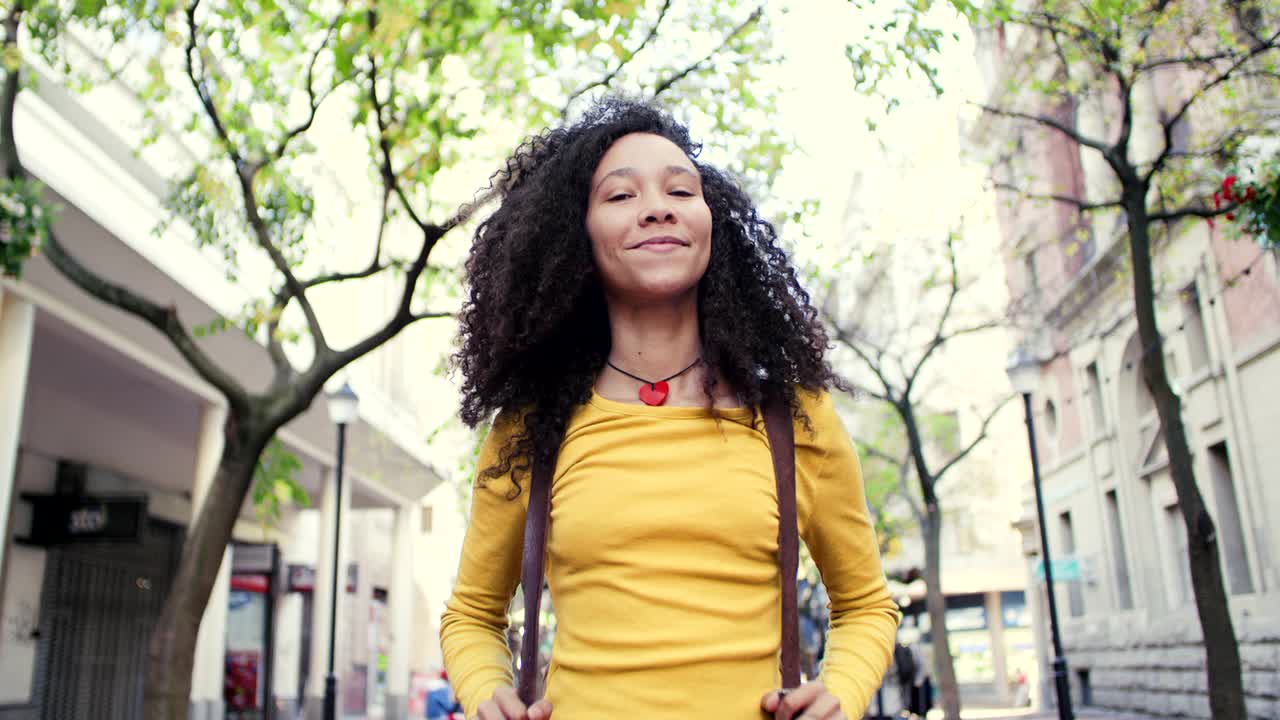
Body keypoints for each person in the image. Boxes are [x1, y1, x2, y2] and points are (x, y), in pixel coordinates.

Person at [440, 98, 901, 720]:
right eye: (620, 196)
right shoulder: (531, 429)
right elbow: (471, 614)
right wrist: (485, 695)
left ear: (712, 223)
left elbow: (866, 604)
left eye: (680, 190)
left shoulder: (795, 415)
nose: (657, 206)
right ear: (575, 237)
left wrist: (839, 691)